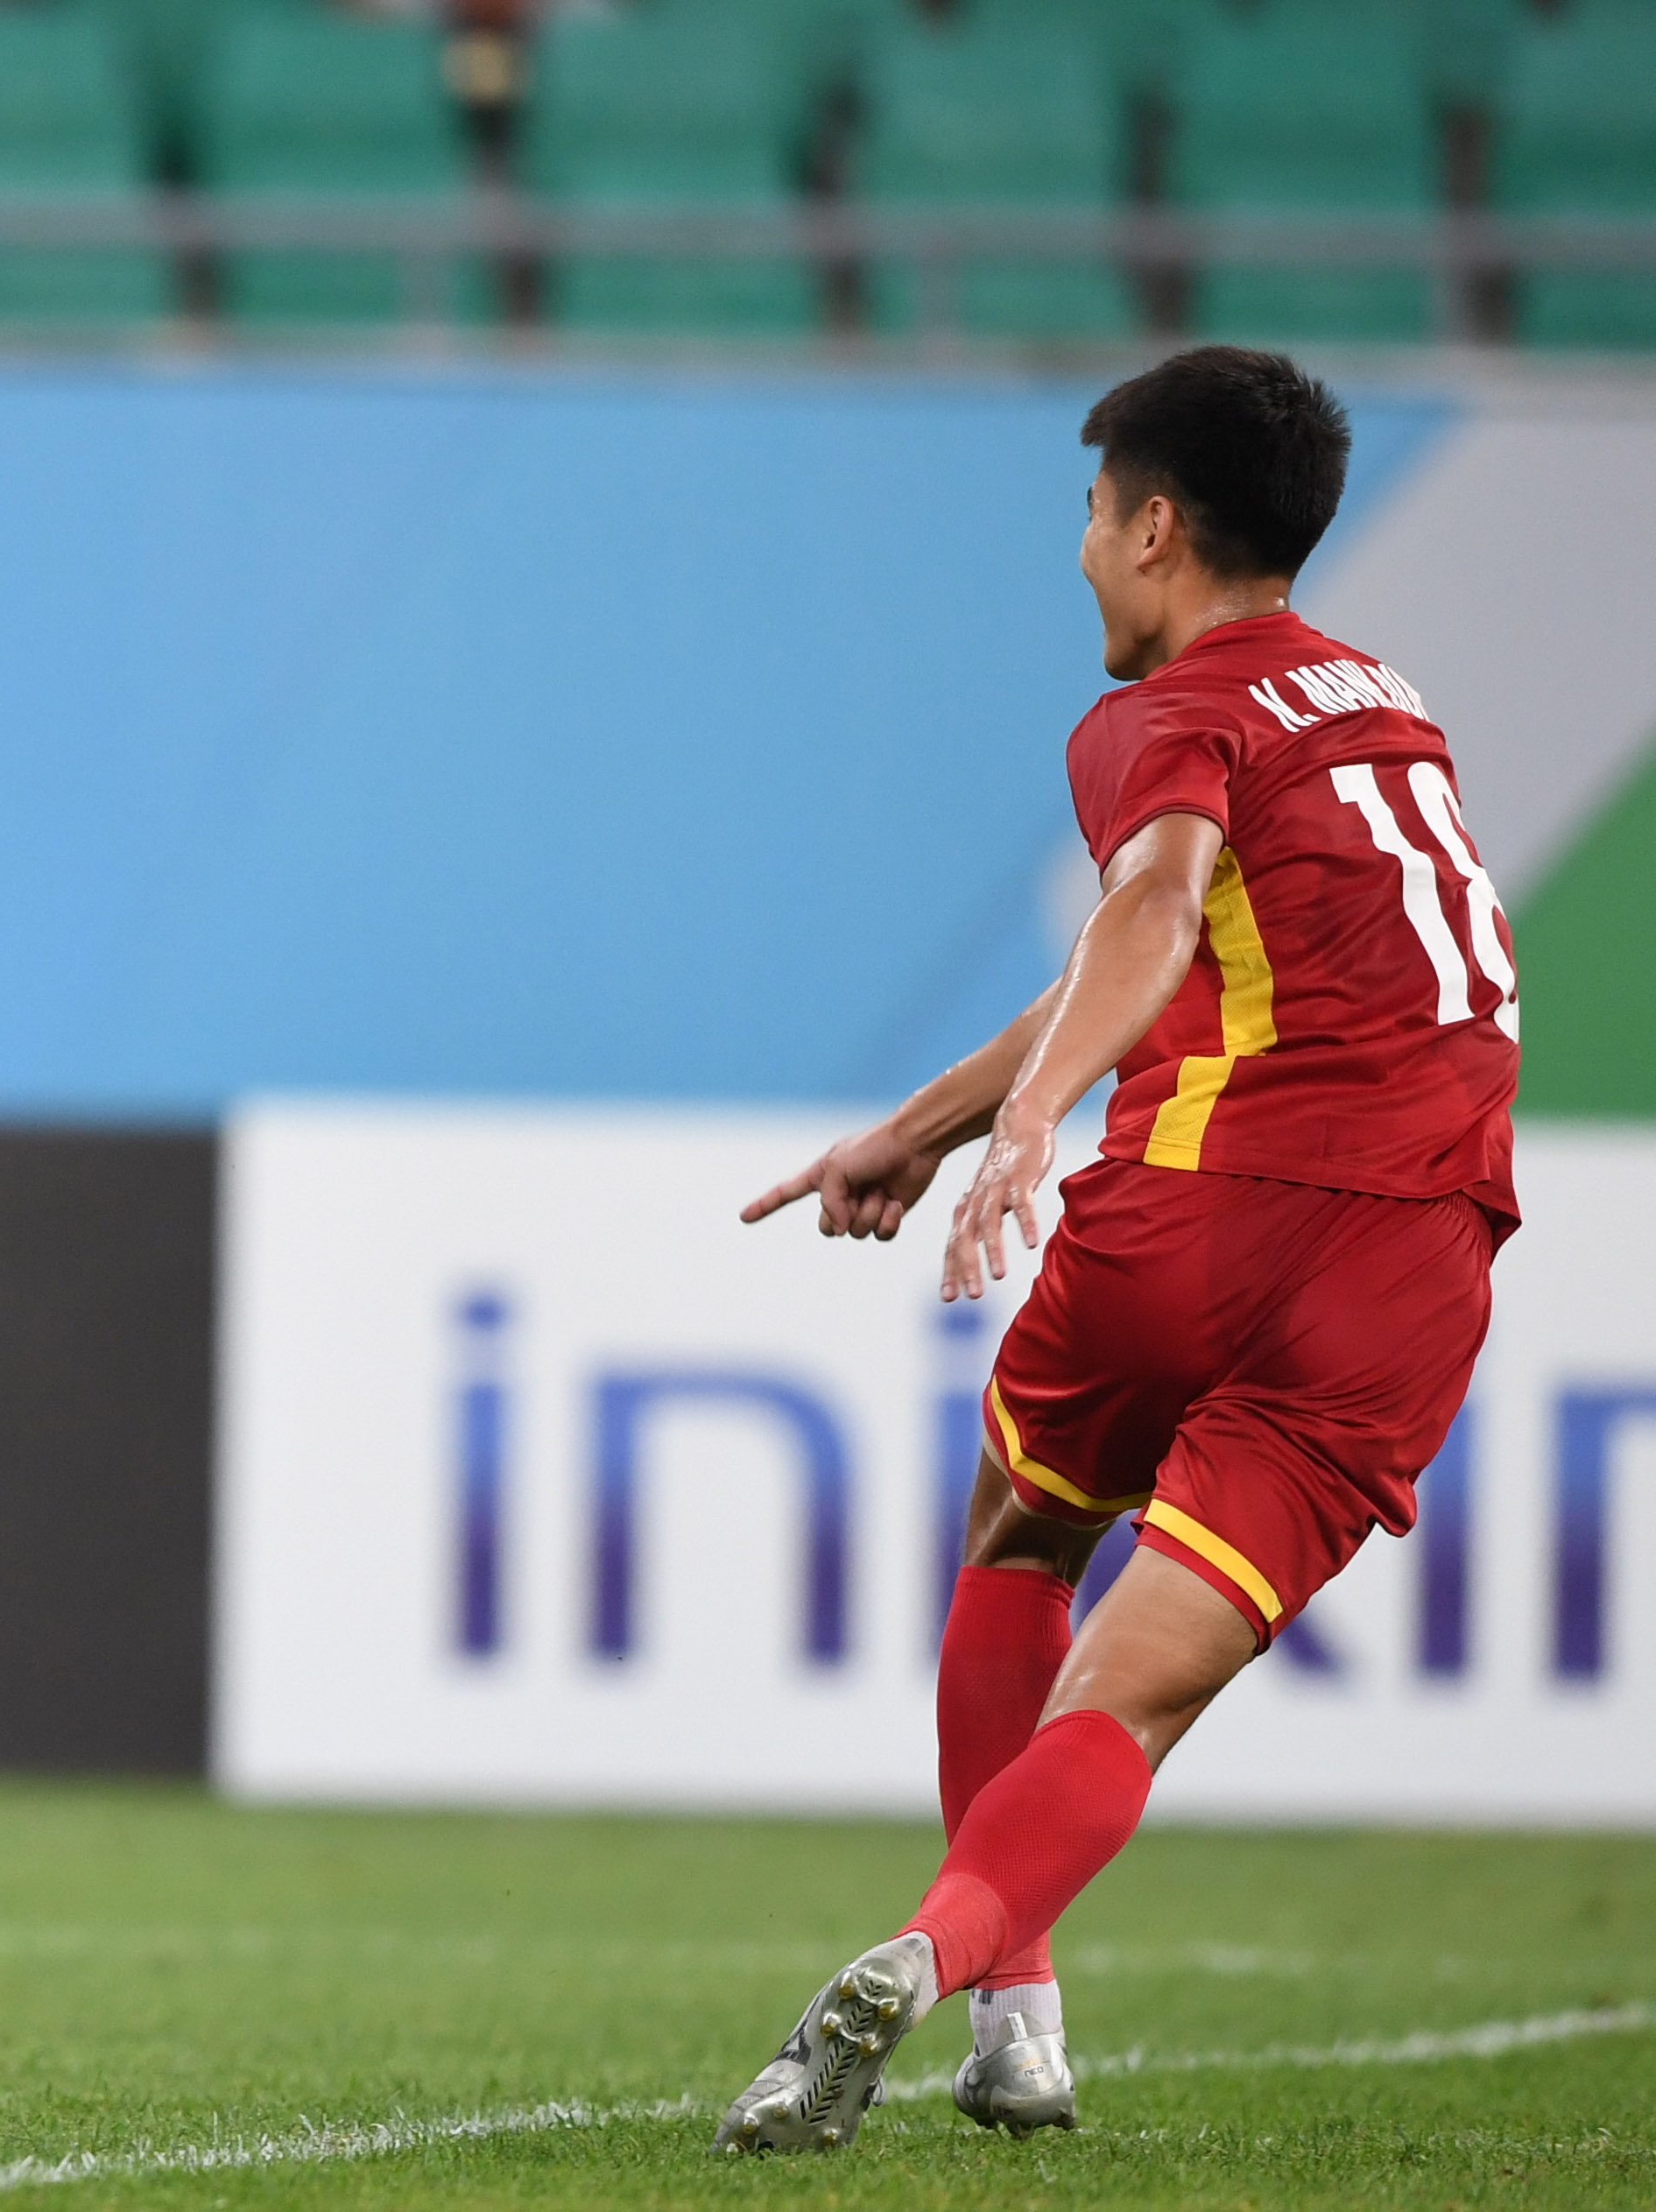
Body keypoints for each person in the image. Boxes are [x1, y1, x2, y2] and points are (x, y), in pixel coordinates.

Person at [721, 346, 1519, 2152]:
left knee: (1021, 1533)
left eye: (1089, 516)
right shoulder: (1377, 698)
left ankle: (1017, 2015)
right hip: (1413, 1265)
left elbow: (1147, 906)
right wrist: (919, 1130)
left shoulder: (1158, 714)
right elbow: (1152, 947)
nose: (1078, 552)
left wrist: (1029, 1124)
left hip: (1203, 1203)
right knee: (1129, 1700)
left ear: (1154, 525)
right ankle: (944, 1969)